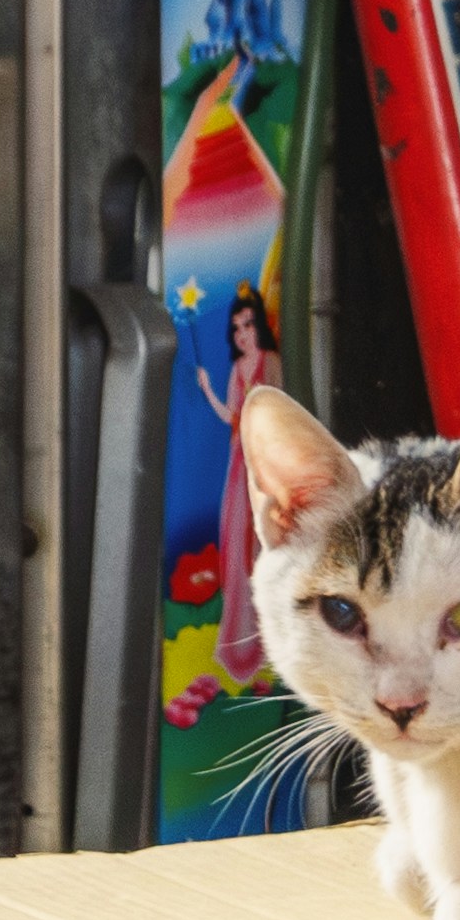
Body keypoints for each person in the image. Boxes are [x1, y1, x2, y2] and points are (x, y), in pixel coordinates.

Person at [197, 275, 282, 694]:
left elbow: (281, 414)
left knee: (259, 547)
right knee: (234, 550)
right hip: (237, 466)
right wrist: (209, 389)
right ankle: (236, 641)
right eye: (237, 328)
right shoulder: (236, 369)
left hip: (265, 464)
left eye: (249, 325)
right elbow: (232, 416)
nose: (243, 334)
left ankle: (264, 642)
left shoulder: (271, 361)